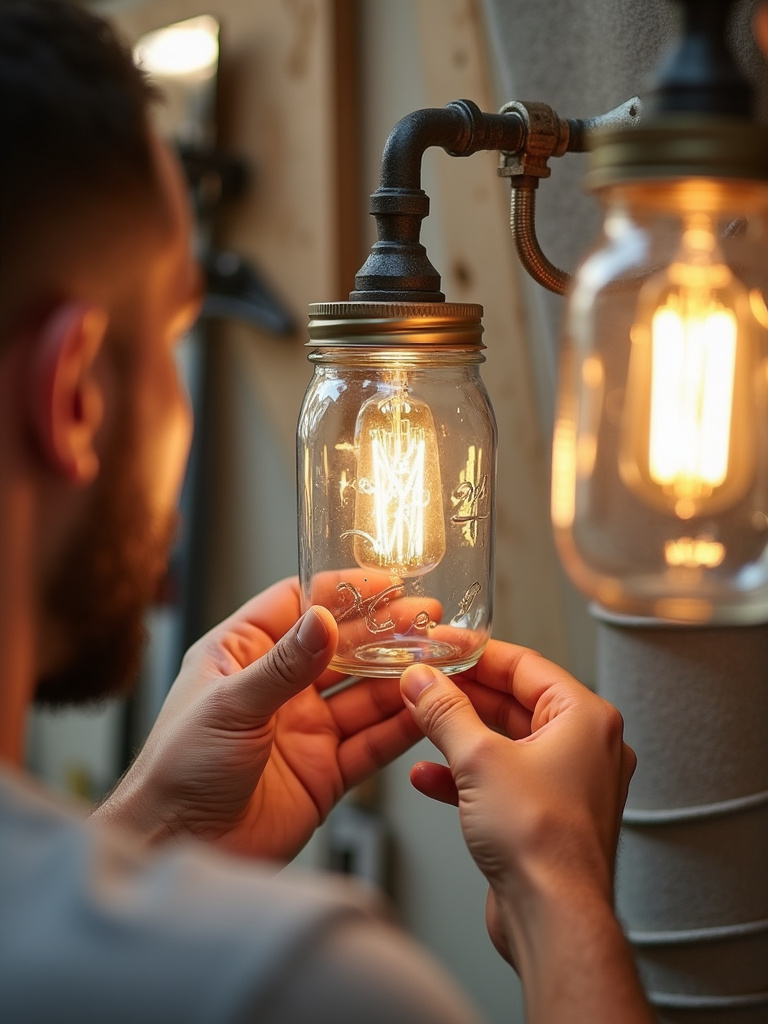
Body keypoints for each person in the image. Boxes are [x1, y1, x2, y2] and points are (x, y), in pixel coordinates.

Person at [0, 2, 653, 1022]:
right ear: (74, 391)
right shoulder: (296, 984)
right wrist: (560, 892)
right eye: (179, 327)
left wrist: (154, 830)